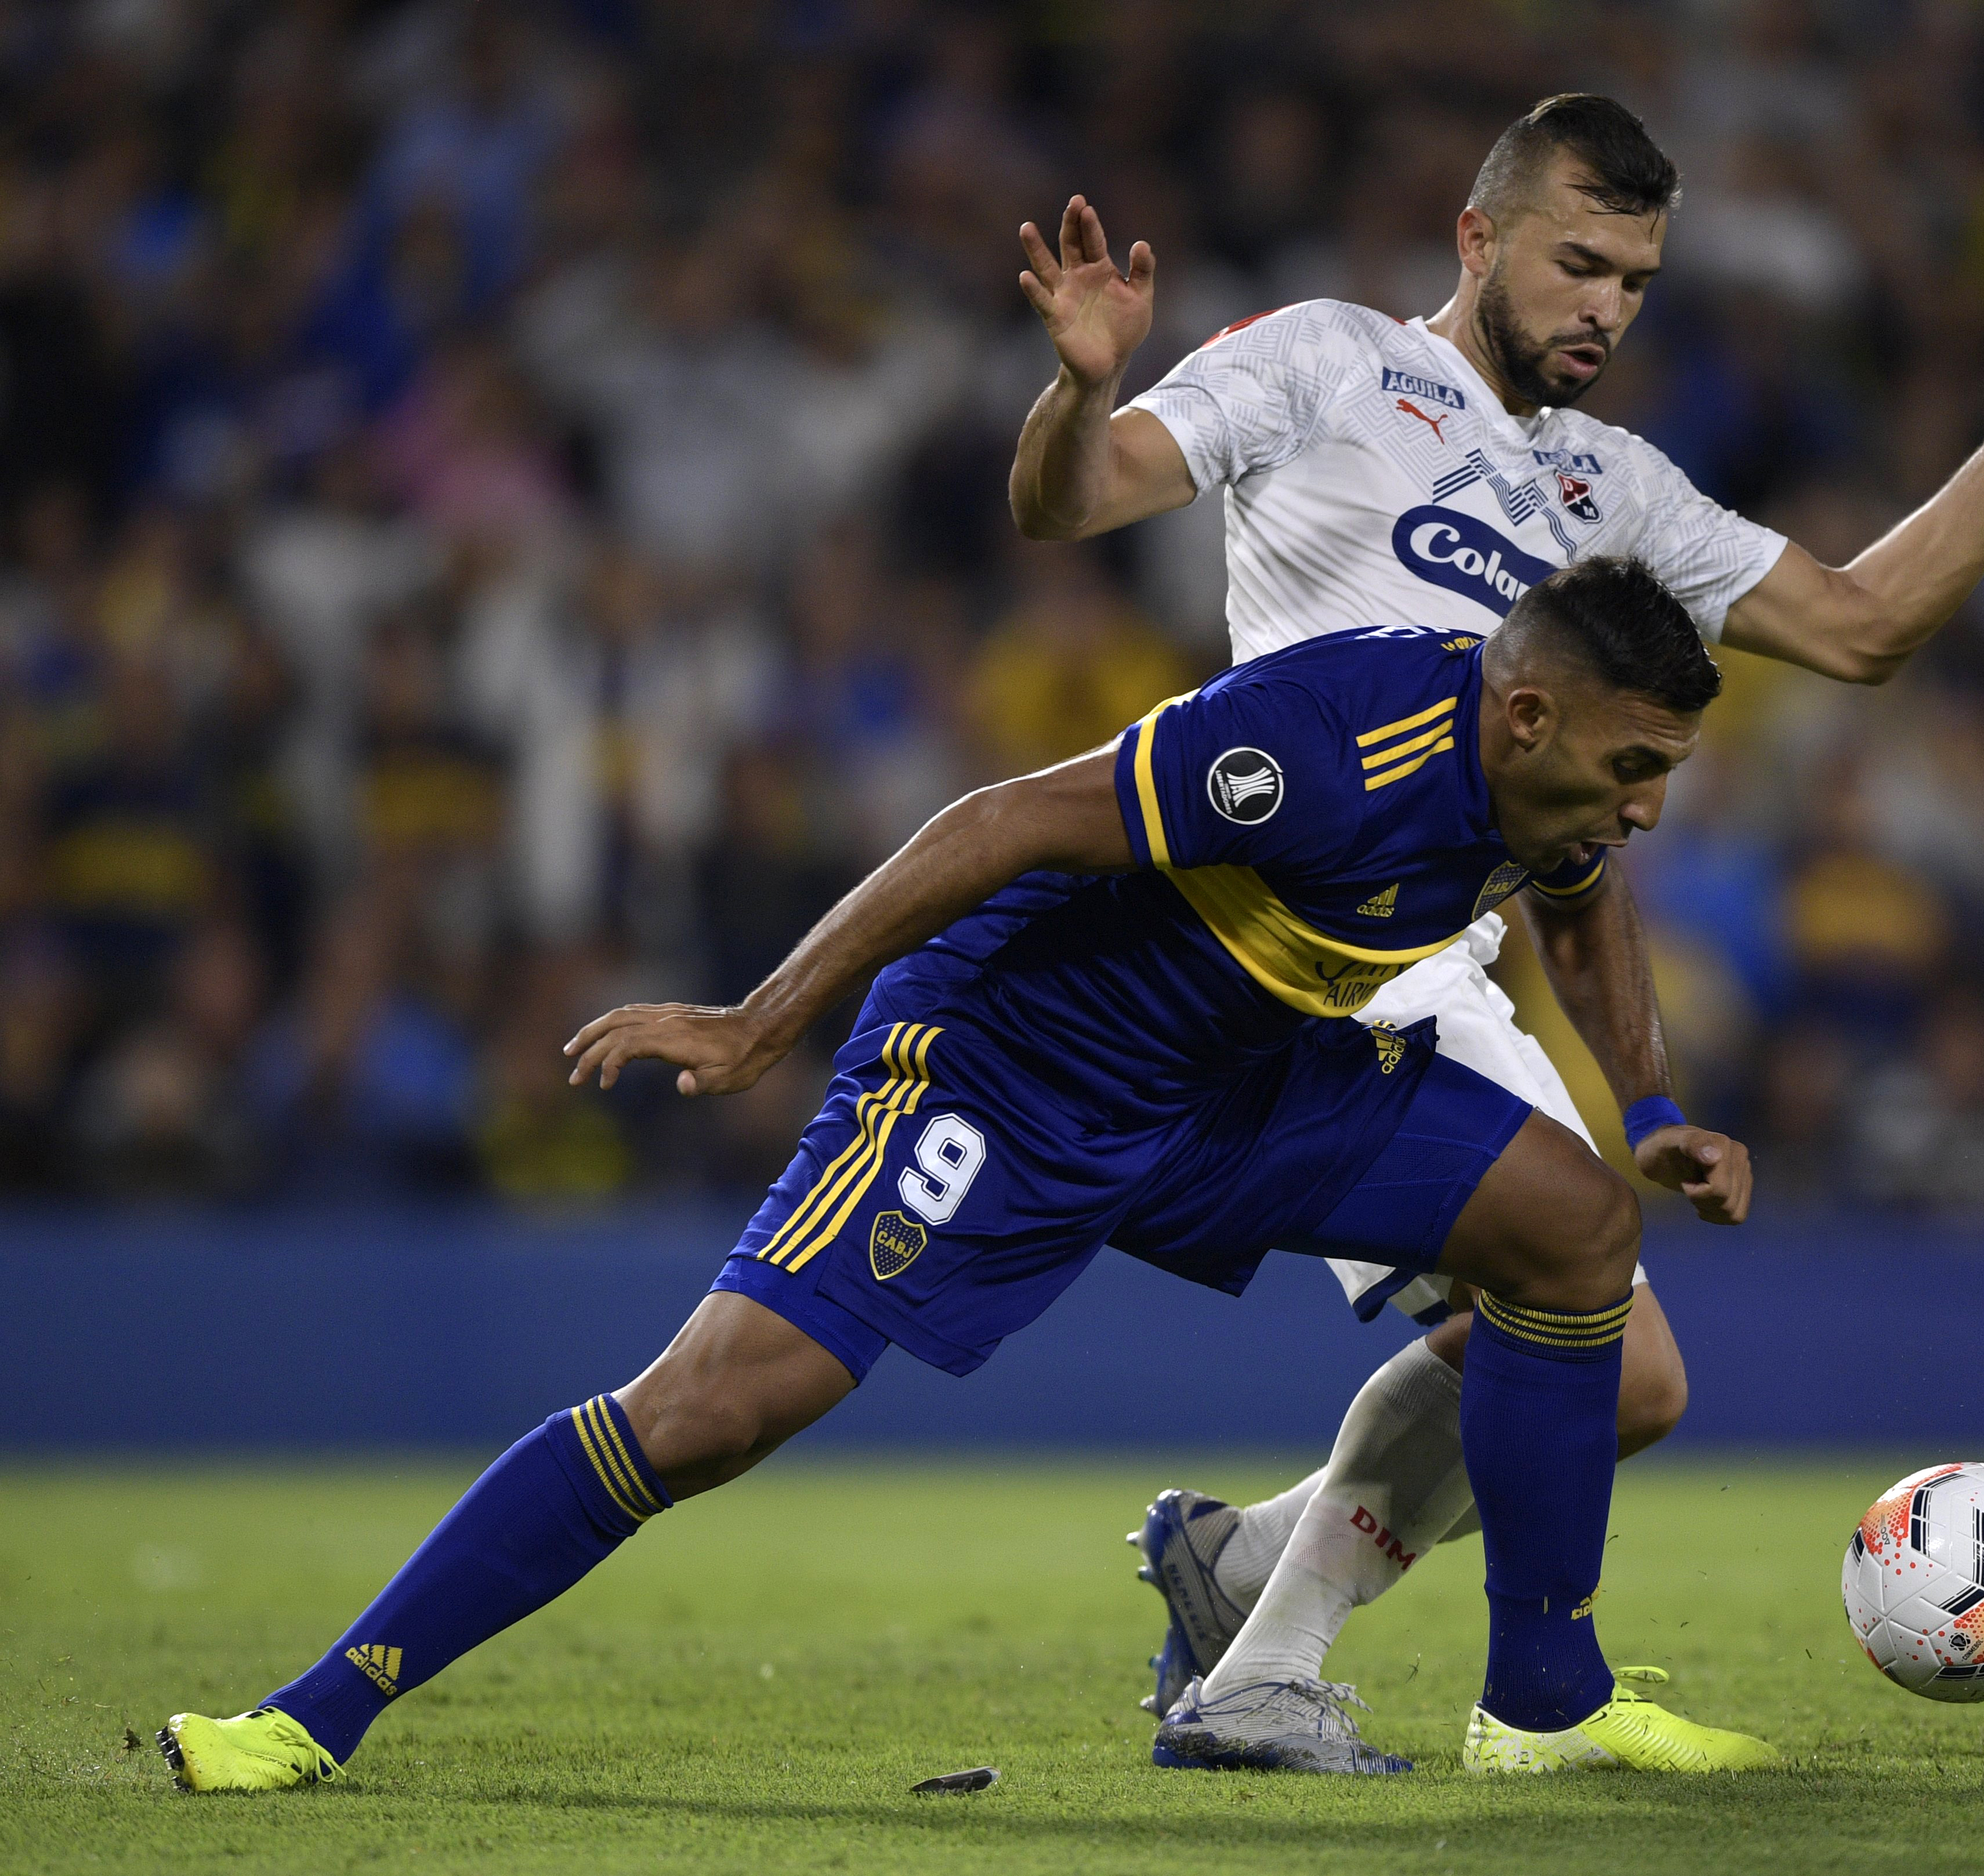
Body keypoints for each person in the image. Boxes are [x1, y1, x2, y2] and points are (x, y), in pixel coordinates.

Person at [157, 560, 1780, 1789]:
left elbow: (1572, 895)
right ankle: (311, 1713)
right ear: (1527, 716)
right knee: (718, 1405)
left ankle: (1543, 1703)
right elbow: (1001, 819)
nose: (1645, 809)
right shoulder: (1326, 743)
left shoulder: (1554, 782)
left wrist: (1644, 1108)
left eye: (1663, 775)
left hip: (1237, 1083)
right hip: (1012, 1070)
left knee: (1576, 1227)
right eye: (1637, 765)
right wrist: (758, 1020)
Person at [1007, 93, 1984, 1758]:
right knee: (1599, 1355)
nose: (1604, 308)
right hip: (1316, 941)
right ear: (1478, 238)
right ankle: (1324, 1670)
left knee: (1614, 1375)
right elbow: (1073, 500)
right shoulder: (1328, 361)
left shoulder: (1610, 486)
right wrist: (1076, 383)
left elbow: (1858, 628)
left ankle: (1248, 1575)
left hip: (1465, 949)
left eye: (1634, 279)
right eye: (1577, 263)